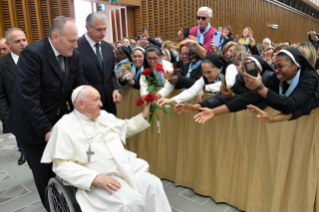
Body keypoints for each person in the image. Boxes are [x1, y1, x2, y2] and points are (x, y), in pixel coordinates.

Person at [41, 85, 172, 212]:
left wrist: (144, 115)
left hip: (126, 167)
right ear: (81, 104)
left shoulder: (103, 116)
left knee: (153, 185)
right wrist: (95, 178)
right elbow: (62, 166)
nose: (101, 104)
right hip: (99, 178)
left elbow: (126, 128)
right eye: (95, 100)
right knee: (129, 202)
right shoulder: (64, 126)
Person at [7, 16, 86, 208]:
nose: (76, 45)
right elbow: (29, 98)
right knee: (45, 173)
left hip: (59, 118)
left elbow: (80, 89)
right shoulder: (33, 54)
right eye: (72, 40)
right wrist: (46, 130)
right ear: (56, 37)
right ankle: (54, 206)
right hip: (31, 125)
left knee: (71, 166)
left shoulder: (73, 55)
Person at [193, 47, 319, 123]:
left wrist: (260, 88)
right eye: (275, 66)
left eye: (280, 66)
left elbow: (292, 105)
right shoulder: (275, 78)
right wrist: (213, 111)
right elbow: (247, 99)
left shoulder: (310, 78)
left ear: (296, 65)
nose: (276, 70)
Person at [174, 55, 274, 113]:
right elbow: (221, 98)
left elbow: (255, 105)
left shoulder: (268, 79)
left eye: (250, 70)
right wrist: (198, 105)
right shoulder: (240, 78)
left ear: (259, 72)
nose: (245, 74)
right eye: (243, 70)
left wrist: (234, 96)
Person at [77, 12, 122, 115]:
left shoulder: (108, 47)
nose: (103, 33)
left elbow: (111, 73)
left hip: (109, 103)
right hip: (88, 104)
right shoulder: (76, 47)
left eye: (105, 29)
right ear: (87, 28)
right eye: (99, 30)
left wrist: (115, 88)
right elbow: (77, 77)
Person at [158, 53, 238, 106]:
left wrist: (205, 88)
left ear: (218, 69)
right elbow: (192, 91)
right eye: (203, 72)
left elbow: (229, 83)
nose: (206, 75)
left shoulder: (230, 67)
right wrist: (170, 100)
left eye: (209, 72)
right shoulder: (205, 77)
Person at [0, 28, 28, 165]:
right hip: (17, 113)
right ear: (8, 44)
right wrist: (8, 119)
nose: (23, 43)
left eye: (24, 39)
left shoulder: (37, 57)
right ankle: (23, 152)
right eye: (18, 41)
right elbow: (1, 95)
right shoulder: (2, 64)